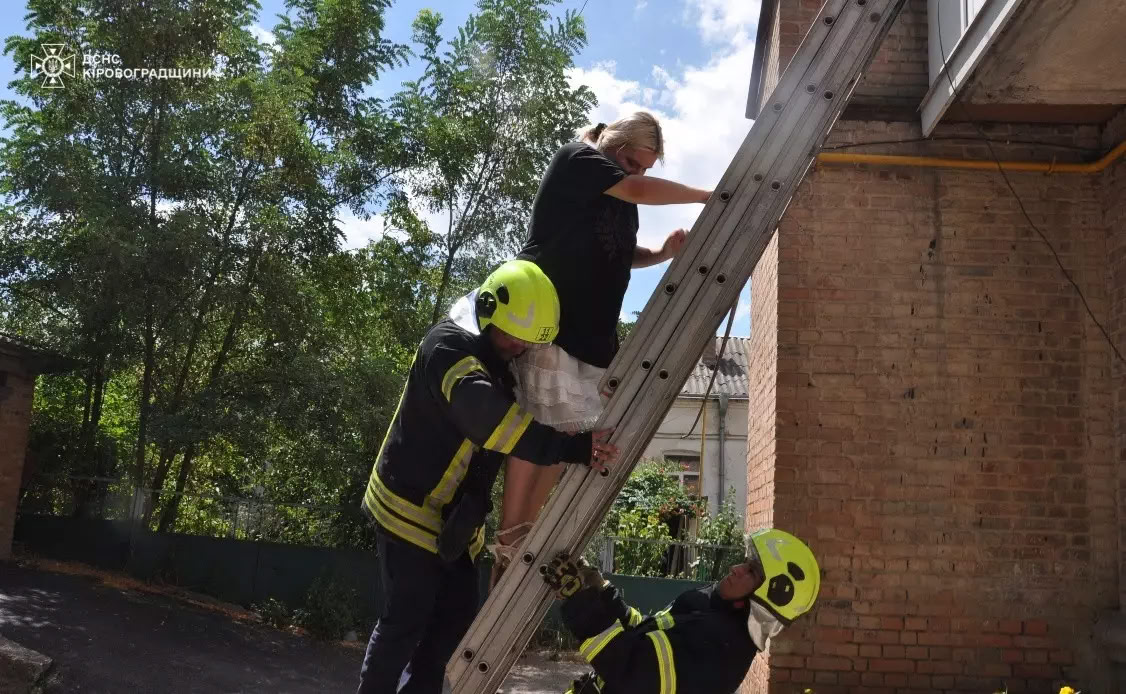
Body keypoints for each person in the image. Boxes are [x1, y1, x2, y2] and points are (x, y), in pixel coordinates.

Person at [356, 259, 621, 694]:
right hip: (407, 505)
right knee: (405, 620)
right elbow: (491, 423)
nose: (518, 347)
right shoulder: (447, 349)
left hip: (454, 516)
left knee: (455, 623)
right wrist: (577, 448)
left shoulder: (496, 349)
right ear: (485, 308)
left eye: (526, 341)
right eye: (512, 336)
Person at [494, 111, 714, 584]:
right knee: (535, 437)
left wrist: (658, 256)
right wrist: (709, 196)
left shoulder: (619, 191)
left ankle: (524, 540)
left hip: (592, 340)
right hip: (551, 323)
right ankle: (507, 544)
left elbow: (613, 251)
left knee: (564, 442)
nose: (637, 174)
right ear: (614, 146)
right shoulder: (578, 159)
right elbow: (634, 190)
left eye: (644, 168)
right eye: (634, 162)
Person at [543, 528, 820, 694]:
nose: (737, 568)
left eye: (752, 571)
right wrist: (600, 591)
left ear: (766, 599)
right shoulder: (710, 610)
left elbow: (632, 669)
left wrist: (579, 598)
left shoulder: (722, 652)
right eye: (745, 562)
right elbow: (644, 628)